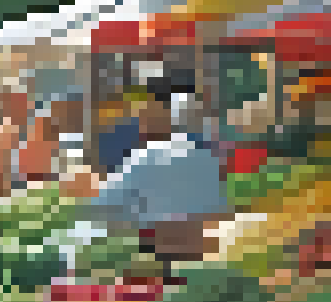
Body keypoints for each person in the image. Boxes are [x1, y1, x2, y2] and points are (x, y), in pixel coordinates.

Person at [84, 99, 229, 264]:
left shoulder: (144, 159)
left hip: (160, 253)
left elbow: (104, 207)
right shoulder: (203, 159)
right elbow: (219, 209)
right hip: (192, 252)